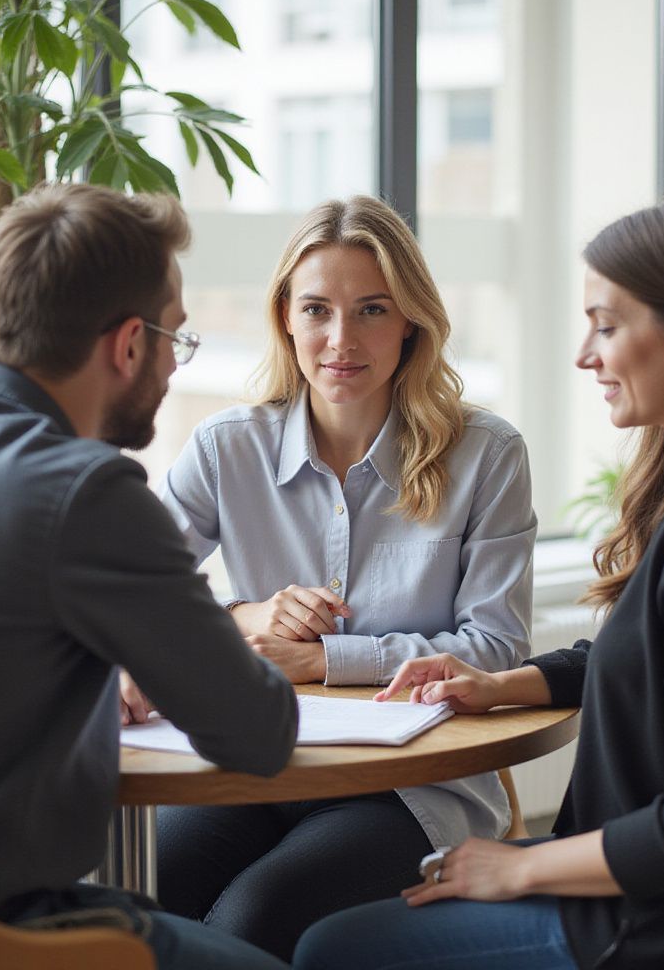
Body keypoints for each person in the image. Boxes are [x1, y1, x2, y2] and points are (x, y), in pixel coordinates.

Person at [292, 193, 664, 970]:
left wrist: (519, 866)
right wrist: (503, 683)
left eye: (607, 324)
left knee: (333, 949)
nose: (585, 354)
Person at [0, 183, 299, 970]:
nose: (174, 362)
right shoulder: (83, 491)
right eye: (175, 338)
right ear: (128, 343)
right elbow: (259, 735)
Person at [120, 194, 537, 960]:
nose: (341, 339)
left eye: (372, 309)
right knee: (138, 900)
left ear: (411, 319)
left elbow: (497, 647)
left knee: (253, 919)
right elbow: (132, 593)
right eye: (317, 309)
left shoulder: (487, 455)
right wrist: (246, 618)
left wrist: (322, 659)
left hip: (412, 789)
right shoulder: (226, 449)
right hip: (257, 767)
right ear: (285, 318)